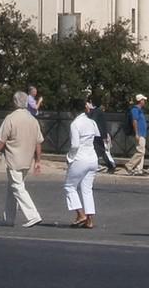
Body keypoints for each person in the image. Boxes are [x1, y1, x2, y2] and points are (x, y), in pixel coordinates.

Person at [0, 90, 44, 228]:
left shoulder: (11, 118)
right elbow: (38, 142)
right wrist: (38, 160)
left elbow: (1, 140)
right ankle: (9, 219)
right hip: (27, 159)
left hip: (14, 158)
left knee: (17, 187)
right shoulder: (33, 120)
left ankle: (33, 215)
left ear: (14, 102)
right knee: (12, 188)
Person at [63, 98, 100, 229]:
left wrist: (69, 157)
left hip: (80, 158)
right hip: (93, 158)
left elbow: (75, 145)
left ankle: (80, 214)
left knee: (69, 187)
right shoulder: (91, 122)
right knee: (87, 189)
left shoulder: (75, 124)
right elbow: (98, 138)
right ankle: (89, 220)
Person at [124, 93, 149, 175]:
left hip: (142, 134)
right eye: (143, 100)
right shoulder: (135, 110)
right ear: (140, 101)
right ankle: (129, 165)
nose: (144, 101)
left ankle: (139, 169)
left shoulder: (139, 110)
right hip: (139, 134)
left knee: (142, 151)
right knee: (140, 152)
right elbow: (134, 121)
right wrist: (136, 133)